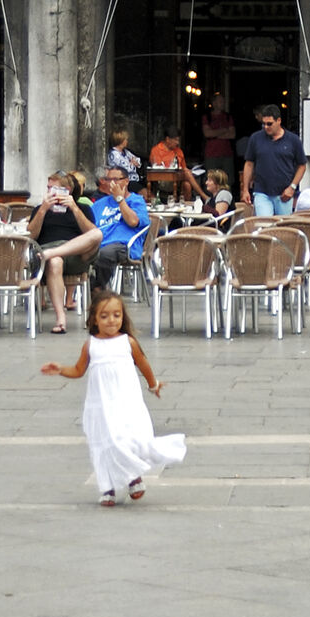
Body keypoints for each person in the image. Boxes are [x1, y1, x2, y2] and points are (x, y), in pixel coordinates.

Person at [40, 292, 184, 507]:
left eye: (116, 315)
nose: (111, 321)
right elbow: (79, 370)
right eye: (105, 316)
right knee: (104, 443)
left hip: (126, 401)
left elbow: (143, 364)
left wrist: (153, 384)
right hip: (101, 405)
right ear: (94, 319)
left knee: (126, 439)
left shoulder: (129, 342)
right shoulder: (91, 345)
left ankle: (133, 476)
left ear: (123, 317)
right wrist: (61, 369)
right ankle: (107, 487)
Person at [86, 164, 150, 297]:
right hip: (99, 242)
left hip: (124, 245)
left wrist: (120, 200)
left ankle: (96, 287)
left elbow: (133, 222)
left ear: (126, 181)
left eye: (116, 179)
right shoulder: (100, 203)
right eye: (108, 180)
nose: (112, 183)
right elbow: (88, 225)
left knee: (105, 253)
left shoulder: (136, 201)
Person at [238, 105, 307, 217]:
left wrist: (292, 187)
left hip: (284, 192)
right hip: (262, 191)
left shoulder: (293, 140)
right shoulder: (256, 138)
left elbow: (302, 166)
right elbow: (249, 164)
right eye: (263, 124)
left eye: (269, 124)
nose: (266, 127)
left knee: (283, 228)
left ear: (278, 121)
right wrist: (245, 189)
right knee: (264, 226)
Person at [147, 129, 194, 203]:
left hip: (178, 179)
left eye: (178, 140)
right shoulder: (156, 150)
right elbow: (157, 167)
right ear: (168, 139)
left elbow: (183, 167)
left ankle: (186, 207)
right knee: (187, 173)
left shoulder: (178, 151)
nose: (177, 143)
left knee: (187, 184)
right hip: (163, 179)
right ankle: (203, 195)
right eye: (175, 140)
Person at [201, 93, 237, 173]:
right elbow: (207, 134)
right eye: (220, 101)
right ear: (214, 103)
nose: (223, 103)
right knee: (212, 181)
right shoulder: (207, 117)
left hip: (227, 154)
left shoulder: (228, 117)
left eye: (223, 101)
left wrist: (214, 134)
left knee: (227, 181)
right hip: (211, 154)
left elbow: (232, 135)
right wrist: (224, 130)